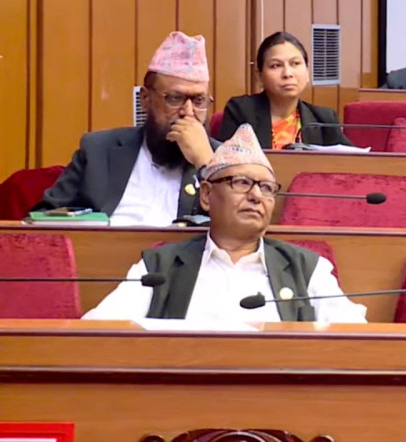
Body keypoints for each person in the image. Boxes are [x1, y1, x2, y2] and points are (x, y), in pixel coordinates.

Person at [82, 124, 367, 322]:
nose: (256, 195)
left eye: (266, 188)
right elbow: (99, 330)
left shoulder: (306, 269)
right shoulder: (160, 267)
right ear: (207, 195)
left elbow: (354, 335)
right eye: (241, 182)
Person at [35, 32, 218, 227]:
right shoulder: (98, 150)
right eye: (175, 98)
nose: (188, 112)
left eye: (199, 100)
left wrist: (208, 165)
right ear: (145, 100)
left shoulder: (226, 160)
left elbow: (238, 230)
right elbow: (44, 219)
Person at [217, 32, 352, 150]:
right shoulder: (241, 111)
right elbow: (227, 160)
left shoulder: (324, 118)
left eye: (295, 64)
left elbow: (349, 161)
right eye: (276, 65)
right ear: (260, 76)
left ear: (307, 72)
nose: (287, 73)